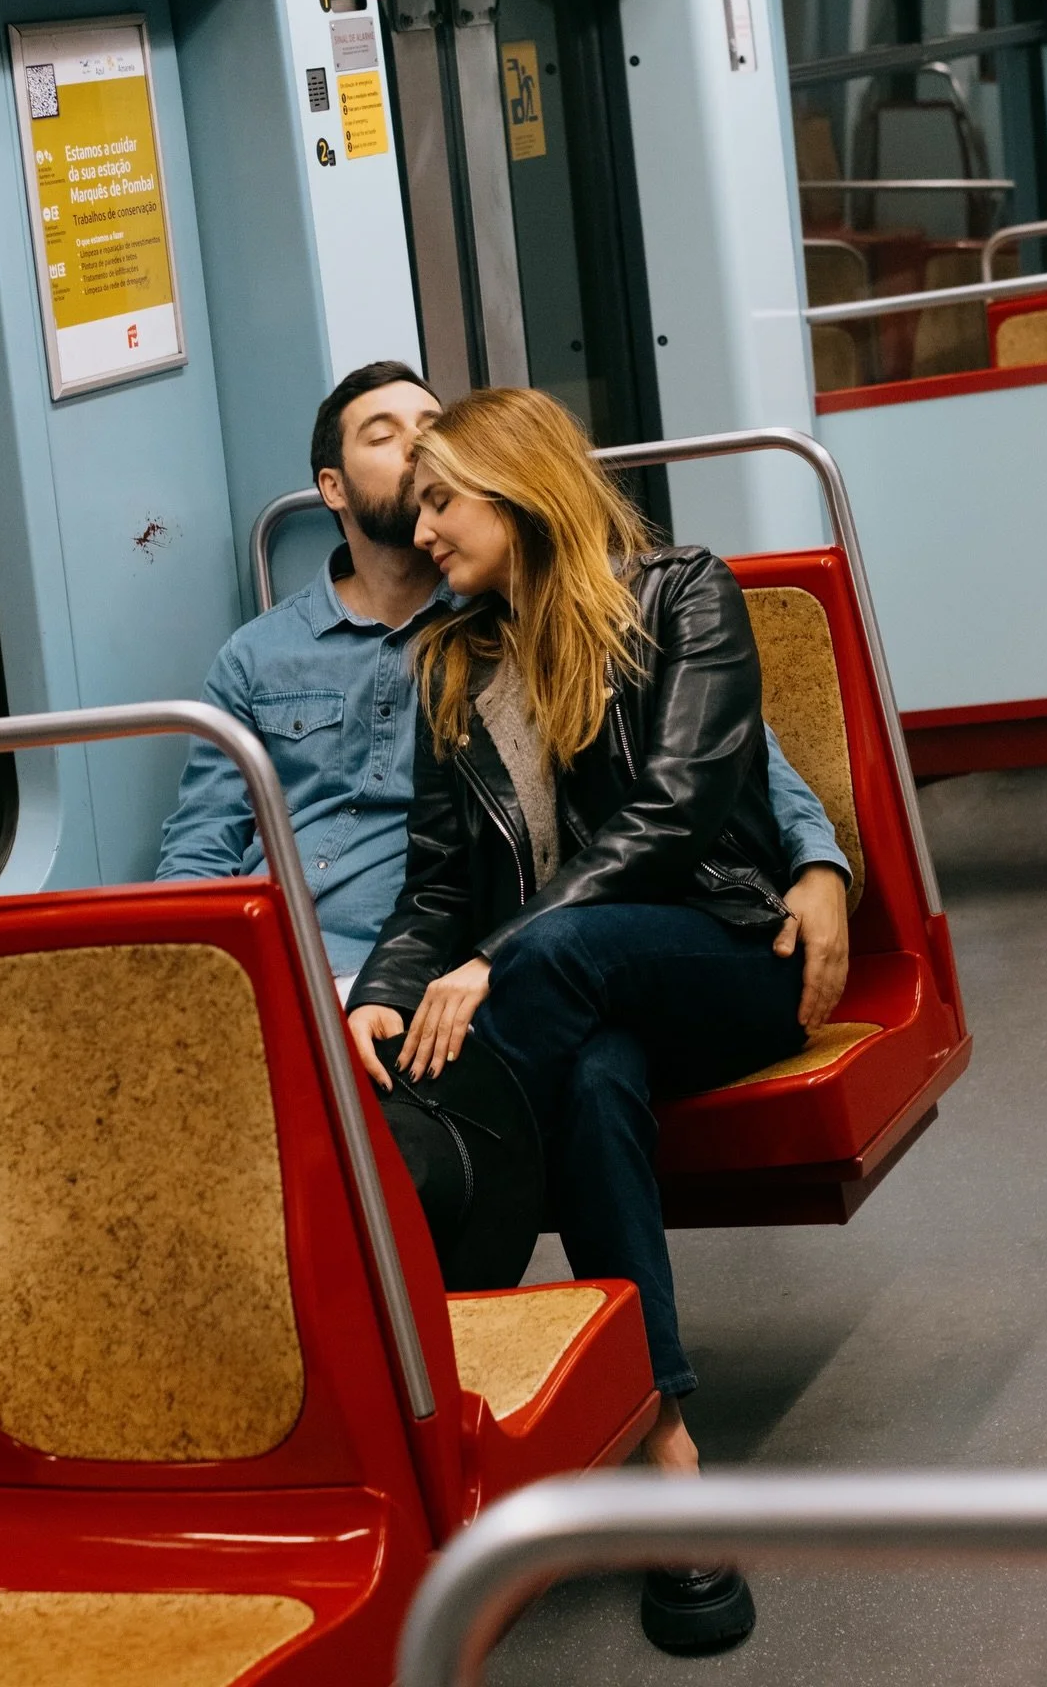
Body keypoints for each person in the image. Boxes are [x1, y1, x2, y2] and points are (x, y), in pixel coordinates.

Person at [346, 387, 832, 1652]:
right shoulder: (451, 658)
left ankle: (427, 1306)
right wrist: (386, 993)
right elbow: (437, 881)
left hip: (722, 950)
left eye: (444, 499)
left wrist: (496, 963)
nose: (426, 528)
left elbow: (673, 815)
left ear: (519, 486)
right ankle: (665, 1440)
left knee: (563, 975)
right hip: (575, 997)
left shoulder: (682, 597)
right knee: (598, 1084)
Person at [159, 363, 852, 1021]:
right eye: (383, 434)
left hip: (429, 951)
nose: (416, 444)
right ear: (333, 488)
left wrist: (816, 862)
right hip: (279, 951)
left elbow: (721, 748)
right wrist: (182, 971)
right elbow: (200, 844)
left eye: (430, 425)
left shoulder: (505, 619)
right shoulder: (258, 652)